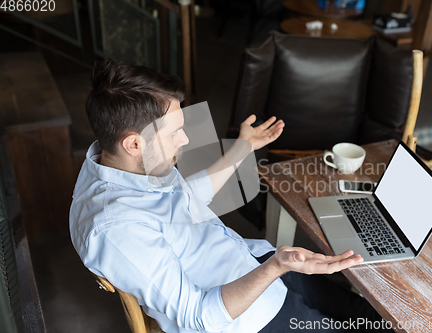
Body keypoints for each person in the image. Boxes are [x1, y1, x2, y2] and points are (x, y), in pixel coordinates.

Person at [70, 60, 391, 333]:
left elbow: (186, 201)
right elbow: (199, 315)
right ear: (133, 144)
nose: (184, 139)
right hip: (248, 318)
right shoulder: (116, 229)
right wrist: (275, 268)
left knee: (371, 316)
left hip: (252, 261)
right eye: (173, 133)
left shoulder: (124, 162)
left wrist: (243, 147)